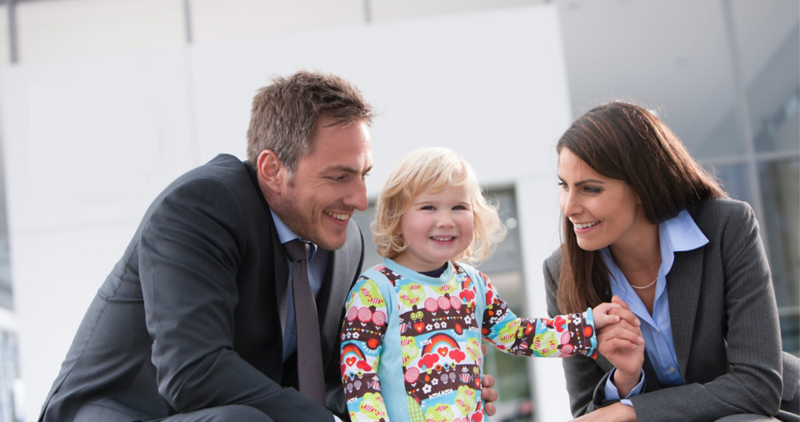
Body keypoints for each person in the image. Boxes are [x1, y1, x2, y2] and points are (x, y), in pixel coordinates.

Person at [37, 71, 498, 422]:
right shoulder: (201, 206)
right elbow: (193, 372)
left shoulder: (343, 243)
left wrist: (420, 393)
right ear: (273, 170)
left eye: (364, 175)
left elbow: (328, 381)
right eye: (339, 176)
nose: (359, 199)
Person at [543, 101, 800, 422]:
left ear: (641, 186)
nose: (569, 208)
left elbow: (757, 385)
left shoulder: (726, 227)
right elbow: (588, 415)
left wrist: (633, 410)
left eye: (590, 189)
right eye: (564, 186)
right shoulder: (561, 273)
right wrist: (625, 380)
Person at [340, 147, 635, 421]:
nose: (446, 220)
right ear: (396, 216)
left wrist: (584, 326)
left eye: (458, 207)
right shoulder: (375, 290)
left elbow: (516, 334)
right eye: (428, 207)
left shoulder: (473, 284)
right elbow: (359, 376)